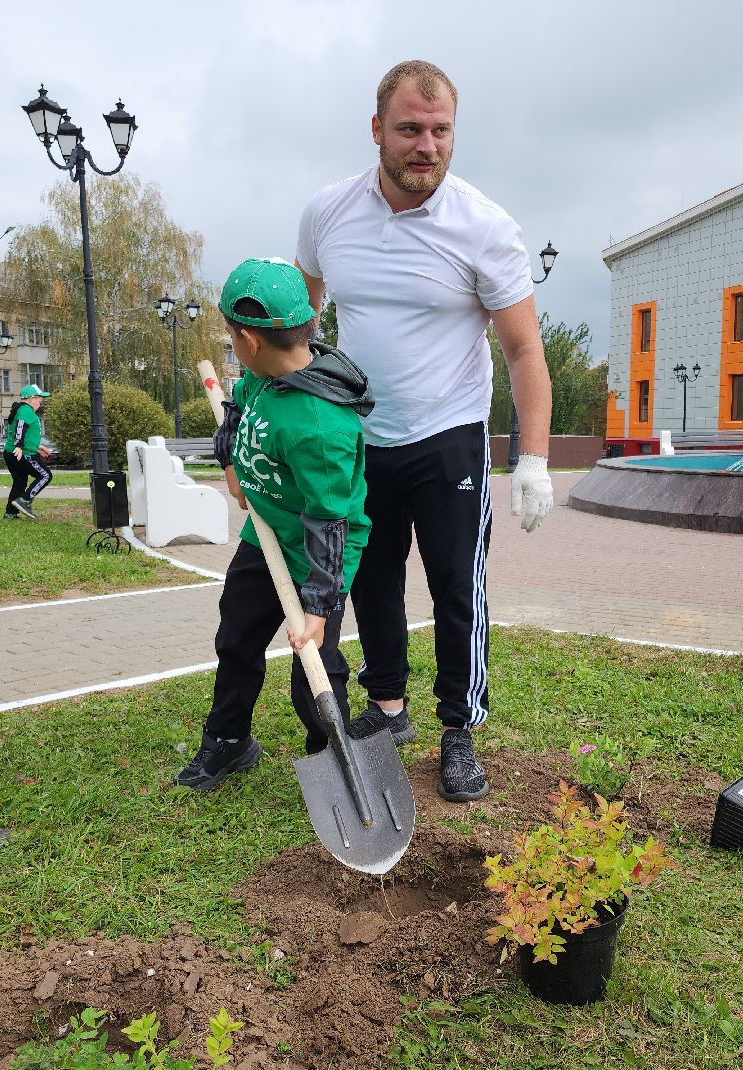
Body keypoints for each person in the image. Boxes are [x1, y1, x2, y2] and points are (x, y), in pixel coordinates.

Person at [295, 60, 555, 802]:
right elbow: (303, 317)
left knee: (454, 587)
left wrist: (532, 458)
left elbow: (525, 350)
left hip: (449, 436)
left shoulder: (485, 227)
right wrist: (286, 407)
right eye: (411, 129)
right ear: (378, 130)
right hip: (361, 438)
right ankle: (388, 709)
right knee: (371, 580)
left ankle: (457, 731)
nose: (427, 147)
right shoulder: (327, 215)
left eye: (441, 131)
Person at [175, 257, 373, 791]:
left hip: (317, 555)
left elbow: (331, 520)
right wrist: (229, 464)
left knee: (313, 663)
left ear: (250, 339)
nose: (230, 349)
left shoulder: (317, 423)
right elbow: (232, 412)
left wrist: (317, 603)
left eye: (230, 338)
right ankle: (229, 741)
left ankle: (333, 751)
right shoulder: (262, 380)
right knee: (237, 637)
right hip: (261, 540)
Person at [2, 385, 53, 520]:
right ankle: (24, 501)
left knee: (19, 482)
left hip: (12, 452)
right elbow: (20, 427)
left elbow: (26, 433)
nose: (40, 404)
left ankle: (10, 513)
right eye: (39, 401)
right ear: (31, 398)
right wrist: (19, 446)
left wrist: (38, 447)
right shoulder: (26, 410)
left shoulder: (20, 409)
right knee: (45, 475)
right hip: (22, 453)